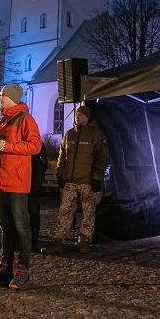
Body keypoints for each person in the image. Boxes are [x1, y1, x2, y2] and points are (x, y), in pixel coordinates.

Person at [0, 84, 42, 289]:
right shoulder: (1, 120)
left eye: (2, 95)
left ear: (12, 97)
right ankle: (5, 265)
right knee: (5, 225)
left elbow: (35, 146)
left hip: (16, 180)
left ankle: (23, 267)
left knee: (21, 225)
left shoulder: (26, 119)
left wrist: (6, 146)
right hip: (0, 179)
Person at [42, 105, 109, 255]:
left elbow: (102, 159)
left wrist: (97, 178)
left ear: (87, 117)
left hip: (87, 182)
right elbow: (61, 156)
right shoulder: (69, 134)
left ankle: (85, 241)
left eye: (80, 115)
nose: (77, 117)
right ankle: (57, 242)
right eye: (76, 114)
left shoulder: (97, 135)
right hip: (70, 182)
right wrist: (60, 174)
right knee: (64, 212)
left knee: (88, 213)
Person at [28, 141, 48, 251]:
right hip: (20, 186)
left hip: (32, 186)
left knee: (33, 215)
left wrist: (35, 186)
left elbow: (41, 166)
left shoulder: (38, 144)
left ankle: (32, 243)